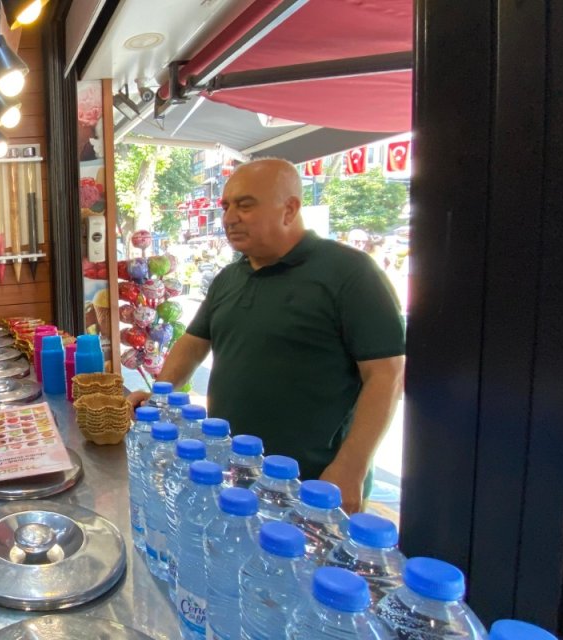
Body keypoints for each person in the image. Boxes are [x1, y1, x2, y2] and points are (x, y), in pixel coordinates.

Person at [129, 159, 404, 513]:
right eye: (226, 206)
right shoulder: (229, 277)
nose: (229, 217)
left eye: (245, 205)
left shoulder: (350, 273)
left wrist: (353, 466)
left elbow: (386, 375)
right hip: (232, 474)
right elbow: (193, 343)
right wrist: (159, 398)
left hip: (314, 483)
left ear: (290, 209)